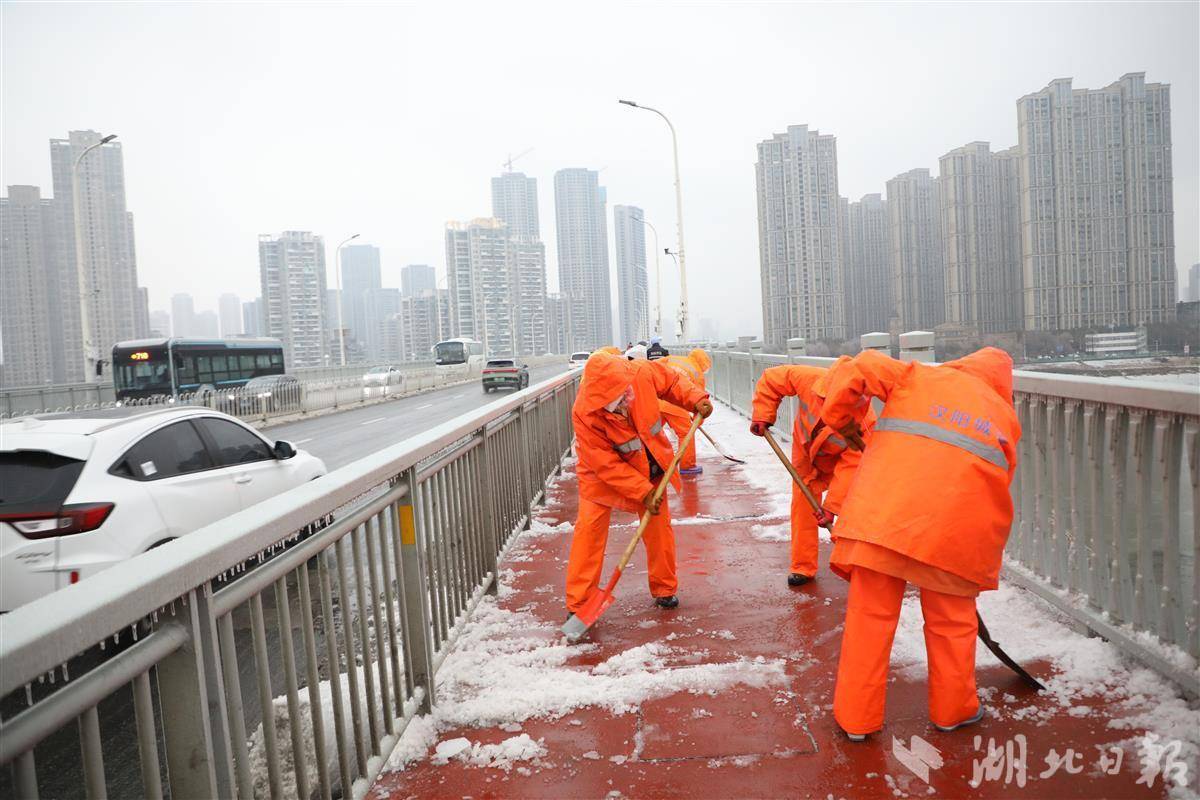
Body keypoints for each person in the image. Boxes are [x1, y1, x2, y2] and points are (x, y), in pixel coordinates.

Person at [817, 347, 1020, 740]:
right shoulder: (1004, 417)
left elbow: (859, 367)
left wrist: (841, 421)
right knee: (952, 624)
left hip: (884, 519)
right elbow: (998, 483)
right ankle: (953, 711)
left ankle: (856, 720)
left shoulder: (917, 376)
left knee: (869, 618)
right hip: (954, 537)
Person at [566, 352, 712, 615]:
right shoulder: (584, 413)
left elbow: (672, 382)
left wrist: (696, 399)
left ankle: (665, 589)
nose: (623, 403)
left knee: (658, 528)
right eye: (613, 402)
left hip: (651, 464)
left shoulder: (641, 373)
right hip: (600, 477)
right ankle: (580, 604)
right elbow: (604, 463)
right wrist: (642, 491)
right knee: (589, 532)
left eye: (624, 395)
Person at [749, 357, 874, 586]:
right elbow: (771, 380)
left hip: (837, 461)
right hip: (806, 450)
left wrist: (831, 507)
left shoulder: (865, 423)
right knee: (803, 504)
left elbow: (850, 468)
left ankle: (856, 565)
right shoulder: (808, 378)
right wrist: (763, 414)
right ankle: (802, 566)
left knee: (852, 506)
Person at [658, 349, 713, 476]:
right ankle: (687, 465)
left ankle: (648, 461)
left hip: (657, 399)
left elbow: (654, 367)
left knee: (651, 431)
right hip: (675, 404)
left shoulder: (672, 359)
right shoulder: (697, 372)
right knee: (686, 433)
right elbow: (700, 401)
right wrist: (697, 422)